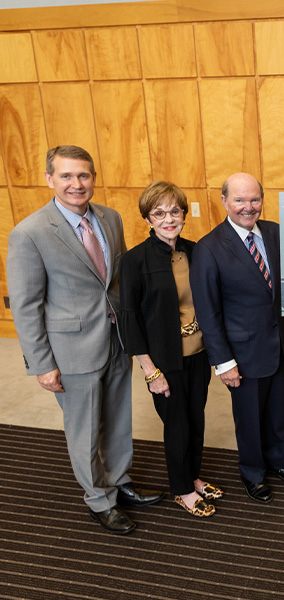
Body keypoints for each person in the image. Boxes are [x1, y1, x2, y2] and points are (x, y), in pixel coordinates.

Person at [7, 145, 164, 535]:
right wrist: (41, 364)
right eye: (66, 176)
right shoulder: (29, 233)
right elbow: (26, 306)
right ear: (49, 179)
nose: (77, 184)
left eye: (84, 175)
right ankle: (99, 499)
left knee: (118, 418)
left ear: (93, 177)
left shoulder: (109, 219)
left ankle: (120, 480)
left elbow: (119, 281)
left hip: (116, 339)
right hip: (71, 350)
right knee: (85, 427)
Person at [190, 173, 284, 504]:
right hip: (241, 352)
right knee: (250, 418)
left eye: (254, 199)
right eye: (240, 200)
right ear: (224, 201)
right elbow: (208, 314)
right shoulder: (209, 248)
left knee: (278, 410)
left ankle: (278, 462)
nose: (248, 207)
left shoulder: (275, 232)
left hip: (278, 342)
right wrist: (223, 362)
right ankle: (253, 473)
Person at [118, 181, 221, 517]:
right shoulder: (134, 260)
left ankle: (192, 477)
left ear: (183, 214)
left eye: (174, 211)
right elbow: (130, 319)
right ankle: (181, 489)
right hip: (164, 361)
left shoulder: (194, 251)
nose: (168, 218)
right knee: (176, 425)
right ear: (148, 219)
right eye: (158, 213)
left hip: (198, 353)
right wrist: (150, 371)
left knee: (196, 419)